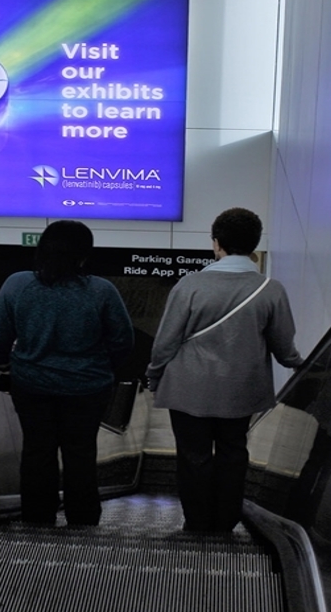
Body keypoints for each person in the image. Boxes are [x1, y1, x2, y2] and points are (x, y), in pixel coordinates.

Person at [146, 207, 303, 532]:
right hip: (241, 390)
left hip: (188, 390)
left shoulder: (189, 286)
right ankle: (226, 521)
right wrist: (303, 367)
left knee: (193, 457)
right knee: (233, 454)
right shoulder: (270, 289)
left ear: (217, 244)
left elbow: (165, 343)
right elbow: (284, 348)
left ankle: (198, 522)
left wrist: (154, 375)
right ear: (254, 245)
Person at [0, 220, 134, 525]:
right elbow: (123, 339)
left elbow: (1, 337)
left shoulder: (16, 284)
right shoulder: (101, 291)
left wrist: (4, 364)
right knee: (80, 453)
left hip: (31, 384)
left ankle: (37, 516)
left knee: (37, 451)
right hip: (87, 387)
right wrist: (102, 367)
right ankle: (82, 517)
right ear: (84, 254)